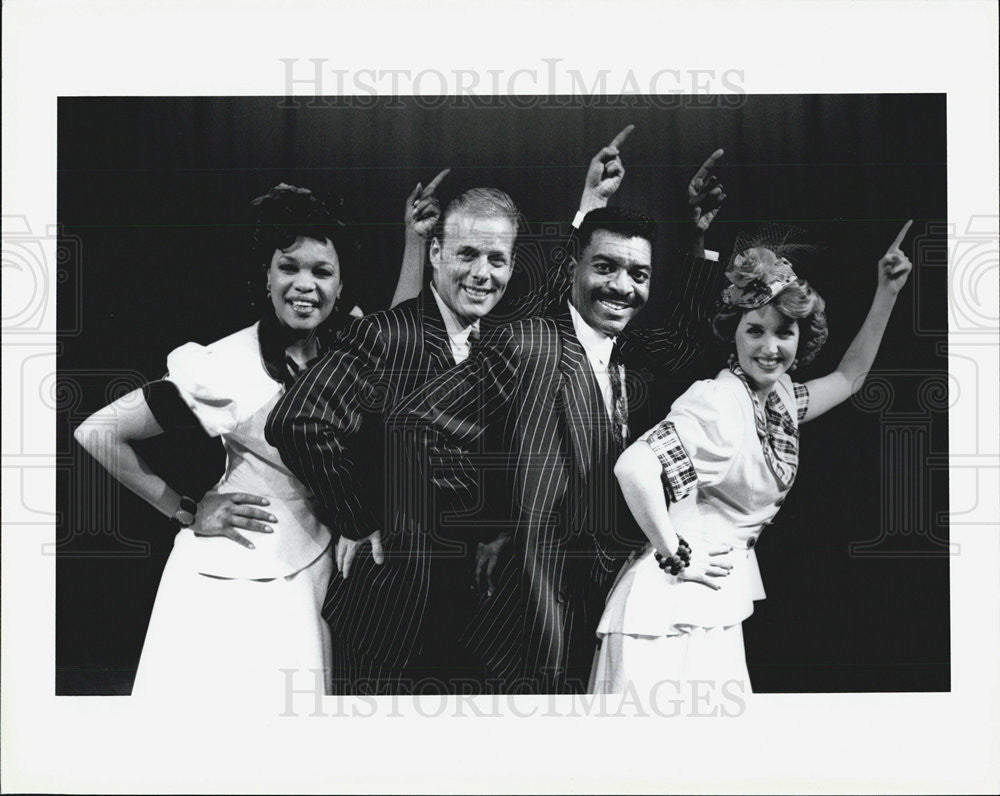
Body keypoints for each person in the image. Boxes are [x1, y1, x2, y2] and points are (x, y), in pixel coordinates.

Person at [267, 127, 706, 693]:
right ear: (436, 253)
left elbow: (563, 299)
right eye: (468, 254)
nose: (483, 273)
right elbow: (298, 422)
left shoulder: (507, 334)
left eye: (497, 259)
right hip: (397, 608)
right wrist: (358, 518)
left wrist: (591, 205)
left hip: (485, 616)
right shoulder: (383, 335)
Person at [385, 150, 729, 693]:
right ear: (573, 266)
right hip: (528, 613)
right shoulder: (526, 342)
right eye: (605, 267)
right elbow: (414, 427)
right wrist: (491, 519)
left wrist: (695, 235)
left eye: (638, 274)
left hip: (611, 603)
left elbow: (689, 344)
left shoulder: (630, 351)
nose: (622, 286)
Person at [72, 181, 428, 696]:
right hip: (235, 576)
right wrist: (187, 509)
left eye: (321, 271)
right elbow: (99, 432)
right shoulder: (225, 367)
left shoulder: (348, 342)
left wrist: (414, 240)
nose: (305, 284)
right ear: (266, 276)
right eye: (289, 267)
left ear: (340, 283)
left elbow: (402, 338)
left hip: (319, 562)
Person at [590, 221, 915, 696]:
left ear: (802, 337)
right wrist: (677, 554)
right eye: (755, 331)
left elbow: (850, 378)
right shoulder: (719, 402)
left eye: (784, 333)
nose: (769, 348)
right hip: (667, 617)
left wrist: (887, 291)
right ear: (734, 335)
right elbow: (633, 467)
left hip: (711, 607)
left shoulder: (779, 399)